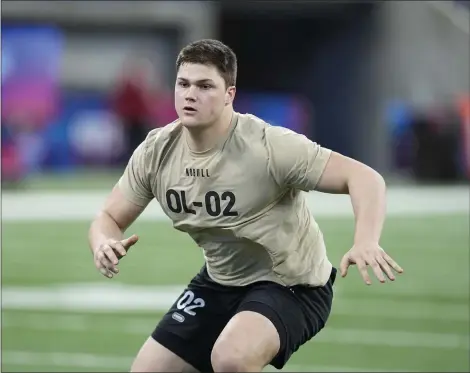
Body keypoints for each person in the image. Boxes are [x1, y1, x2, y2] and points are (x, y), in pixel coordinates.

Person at [88, 39, 404, 373]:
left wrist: (365, 240)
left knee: (231, 358)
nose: (190, 94)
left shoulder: (267, 146)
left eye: (205, 85)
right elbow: (108, 216)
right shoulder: (157, 151)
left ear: (229, 95)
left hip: (292, 284)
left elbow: (365, 178)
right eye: (183, 84)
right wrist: (103, 242)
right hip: (220, 281)